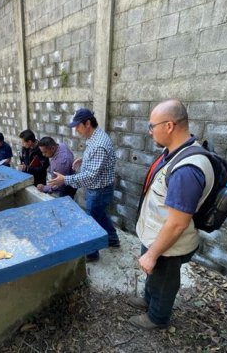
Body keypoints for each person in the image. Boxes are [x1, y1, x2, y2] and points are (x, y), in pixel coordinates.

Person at [127, 99, 214, 330]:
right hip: (157, 236)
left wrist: (153, 254)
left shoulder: (186, 170)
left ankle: (157, 317)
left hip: (169, 244)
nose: (149, 131)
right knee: (154, 274)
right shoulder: (174, 153)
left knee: (165, 280)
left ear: (168, 126)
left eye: (151, 126)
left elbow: (177, 224)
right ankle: (148, 299)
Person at [48, 108, 120, 261]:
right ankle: (112, 239)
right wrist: (83, 159)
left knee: (90, 222)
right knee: (101, 215)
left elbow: (90, 177)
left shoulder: (99, 144)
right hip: (100, 187)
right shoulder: (95, 137)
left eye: (78, 126)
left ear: (88, 123)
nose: (76, 130)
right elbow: (97, 161)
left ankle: (91, 254)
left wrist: (65, 179)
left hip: (98, 189)